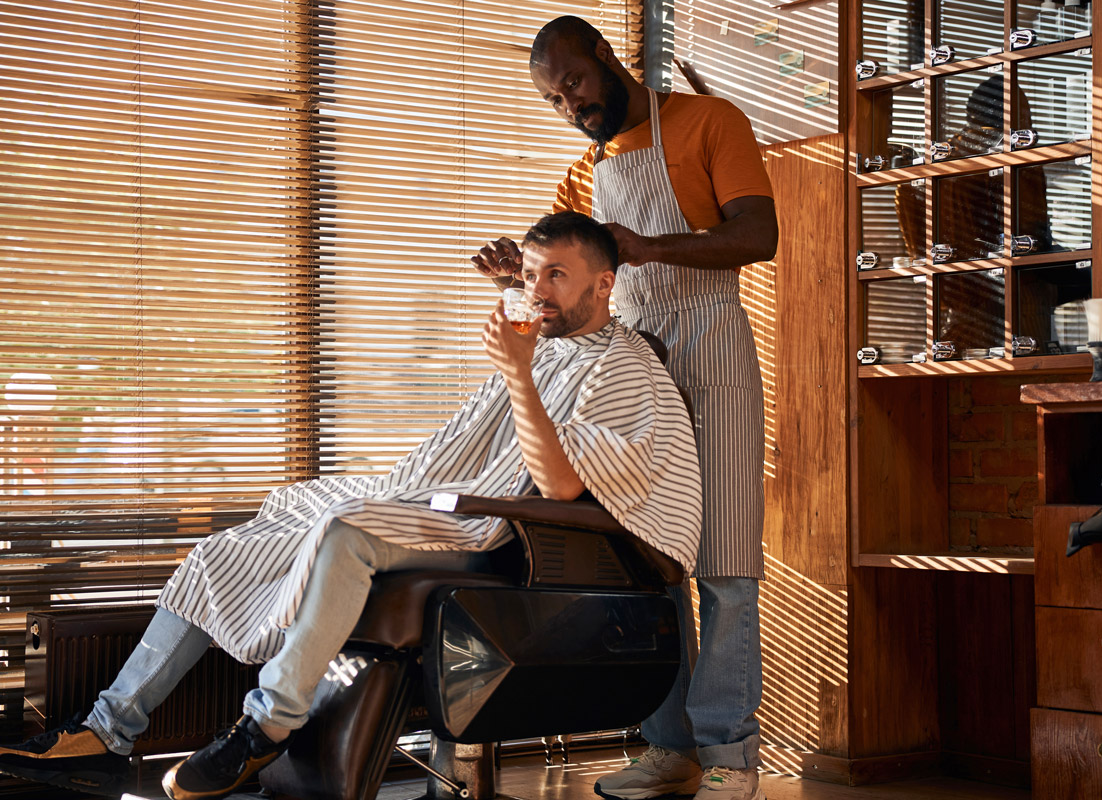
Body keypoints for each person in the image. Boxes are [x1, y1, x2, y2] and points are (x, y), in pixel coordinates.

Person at [0, 211, 702, 800]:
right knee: (240, 540)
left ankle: (263, 728)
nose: (537, 289)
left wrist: (516, 371)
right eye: (530, 272)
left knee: (346, 530)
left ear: (605, 283)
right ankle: (109, 724)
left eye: (557, 275)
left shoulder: (620, 364)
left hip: (503, 526)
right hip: (435, 491)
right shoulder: (549, 342)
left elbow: (561, 486)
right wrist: (525, 346)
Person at [472, 16, 777, 800]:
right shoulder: (581, 174)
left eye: (572, 81)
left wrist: (646, 247)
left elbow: (758, 233)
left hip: (712, 355)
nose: (569, 104)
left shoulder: (712, 121)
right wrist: (522, 275)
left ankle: (731, 756)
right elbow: (566, 286)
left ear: (607, 56)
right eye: (552, 97)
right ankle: (670, 746)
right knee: (656, 556)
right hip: (633, 369)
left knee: (728, 567)